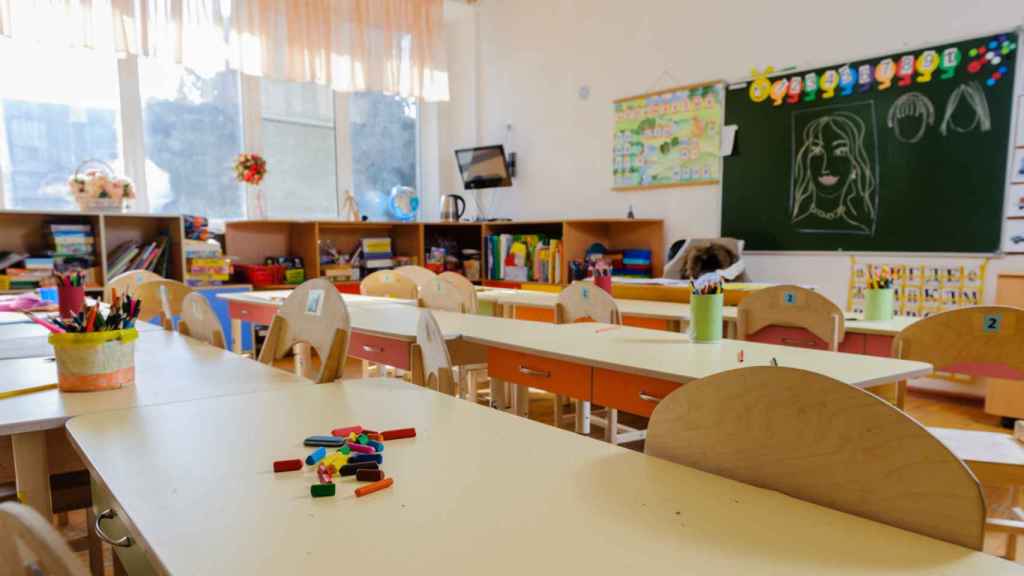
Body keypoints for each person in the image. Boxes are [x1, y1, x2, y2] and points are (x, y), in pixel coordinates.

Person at [791, 111, 877, 234]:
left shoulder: (859, 231)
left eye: (841, 152)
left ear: (854, 167)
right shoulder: (794, 228)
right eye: (817, 152)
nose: (826, 167)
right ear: (807, 164)